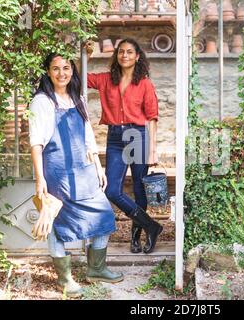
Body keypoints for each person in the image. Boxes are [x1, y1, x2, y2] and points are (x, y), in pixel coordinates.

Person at [29, 53, 123, 298]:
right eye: (56, 68)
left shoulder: (77, 98)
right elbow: (36, 143)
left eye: (66, 68)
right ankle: (66, 279)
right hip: (57, 172)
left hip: (83, 171)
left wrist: (99, 167)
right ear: (48, 72)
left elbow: (88, 136)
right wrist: (40, 179)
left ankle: (96, 269)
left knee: (104, 216)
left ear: (73, 71)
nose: (62, 73)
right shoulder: (42, 101)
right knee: (56, 223)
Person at [86, 38, 163, 254]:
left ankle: (136, 238)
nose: (125, 55)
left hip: (137, 135)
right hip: (115, 137)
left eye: (130, 52)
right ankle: (152, 226)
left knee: (139, 191)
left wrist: (153, 150)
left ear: (137, 56)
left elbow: (152, 117)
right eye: (121, 52)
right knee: (112, 190)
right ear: (116, 55)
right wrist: (86, 57)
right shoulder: (105, 80)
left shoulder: (144, 83)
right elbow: (79, 77)